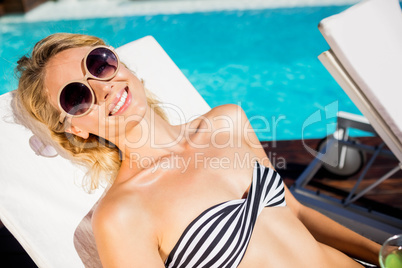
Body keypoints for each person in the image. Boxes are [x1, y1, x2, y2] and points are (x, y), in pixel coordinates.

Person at [15, 33, 381, 268]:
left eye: (100, 64)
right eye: (77, 97)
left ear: (122, 65)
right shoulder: (122, 215)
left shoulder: (227, 123)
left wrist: (384, 256)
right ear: (77, 129)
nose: (103, 88)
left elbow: (296, 212)